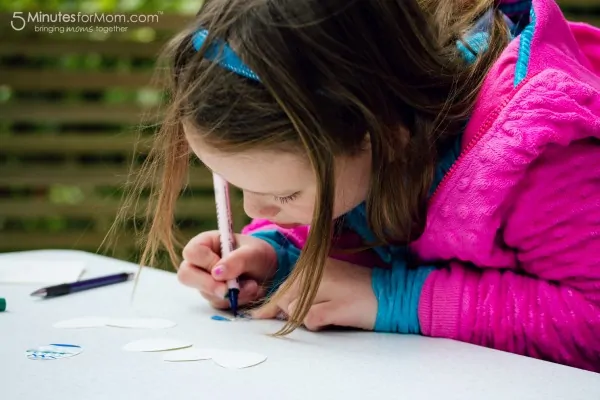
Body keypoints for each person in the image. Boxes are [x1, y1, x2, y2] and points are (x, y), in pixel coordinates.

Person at [121, 0, 600, 372]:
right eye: (232, 182)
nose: (252, 209)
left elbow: (592, 321)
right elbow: (353, 216)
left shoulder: (542, 156)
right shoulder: (376, 136)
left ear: (384, 135)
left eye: (285, 196)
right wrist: (277, 252)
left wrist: (396, 301)